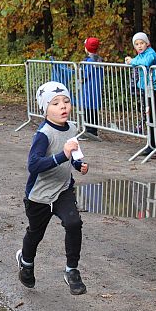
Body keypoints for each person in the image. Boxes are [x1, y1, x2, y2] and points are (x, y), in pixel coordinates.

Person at [16, 81, 88, 295]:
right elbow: (34, 165)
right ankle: (26, 263)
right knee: (36, 234)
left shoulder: (72, 128)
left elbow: (73, 153)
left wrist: (78, 164)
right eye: (55, 103)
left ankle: (71, 270)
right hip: (39, 195)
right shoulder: (43, 134)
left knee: (74, 223)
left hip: (63, 189)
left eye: (66, 101)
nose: (63, 106)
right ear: (45, 109)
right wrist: (62, 156)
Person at [125, 32, 156, 158]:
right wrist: (134, 60)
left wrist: (132, 61)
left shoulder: (150, 53)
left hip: (154, 87)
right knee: (148, 115)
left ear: (147, 43)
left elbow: (145, 62)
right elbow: (139, 61)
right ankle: (151, 143)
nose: (139, 46)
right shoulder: (140, 55)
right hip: (145, 88)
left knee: (155, 115)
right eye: (136, 44)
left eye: (142, 43)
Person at [80, 37, 103, 138]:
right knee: (93, 111)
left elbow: (85, 75)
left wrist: (81, 78)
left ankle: (89, 131)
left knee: (88, 110)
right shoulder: (99, 60)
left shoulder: (89, 61)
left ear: (87, 48)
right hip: (96, 89)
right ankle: (93, 130)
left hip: (88, 90)